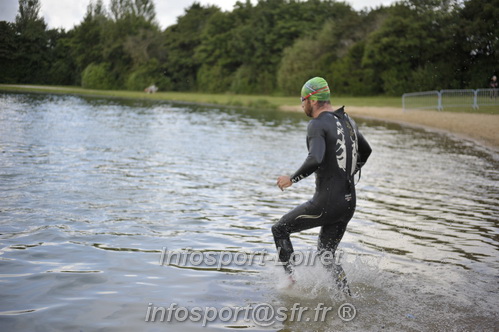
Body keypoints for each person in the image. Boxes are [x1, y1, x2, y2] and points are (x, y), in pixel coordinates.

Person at [272, 77, 371, 293]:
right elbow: (366, 151)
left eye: (302, 99)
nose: (302, 105)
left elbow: (315, 158)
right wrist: (348, 172)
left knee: (280, 229)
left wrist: (292, 178)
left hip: (327, 203)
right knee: (326, 254)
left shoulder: (316, 124)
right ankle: (345, 296)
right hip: (348, 203)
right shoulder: (348, 121)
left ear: (313, 100)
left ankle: (289, 283)